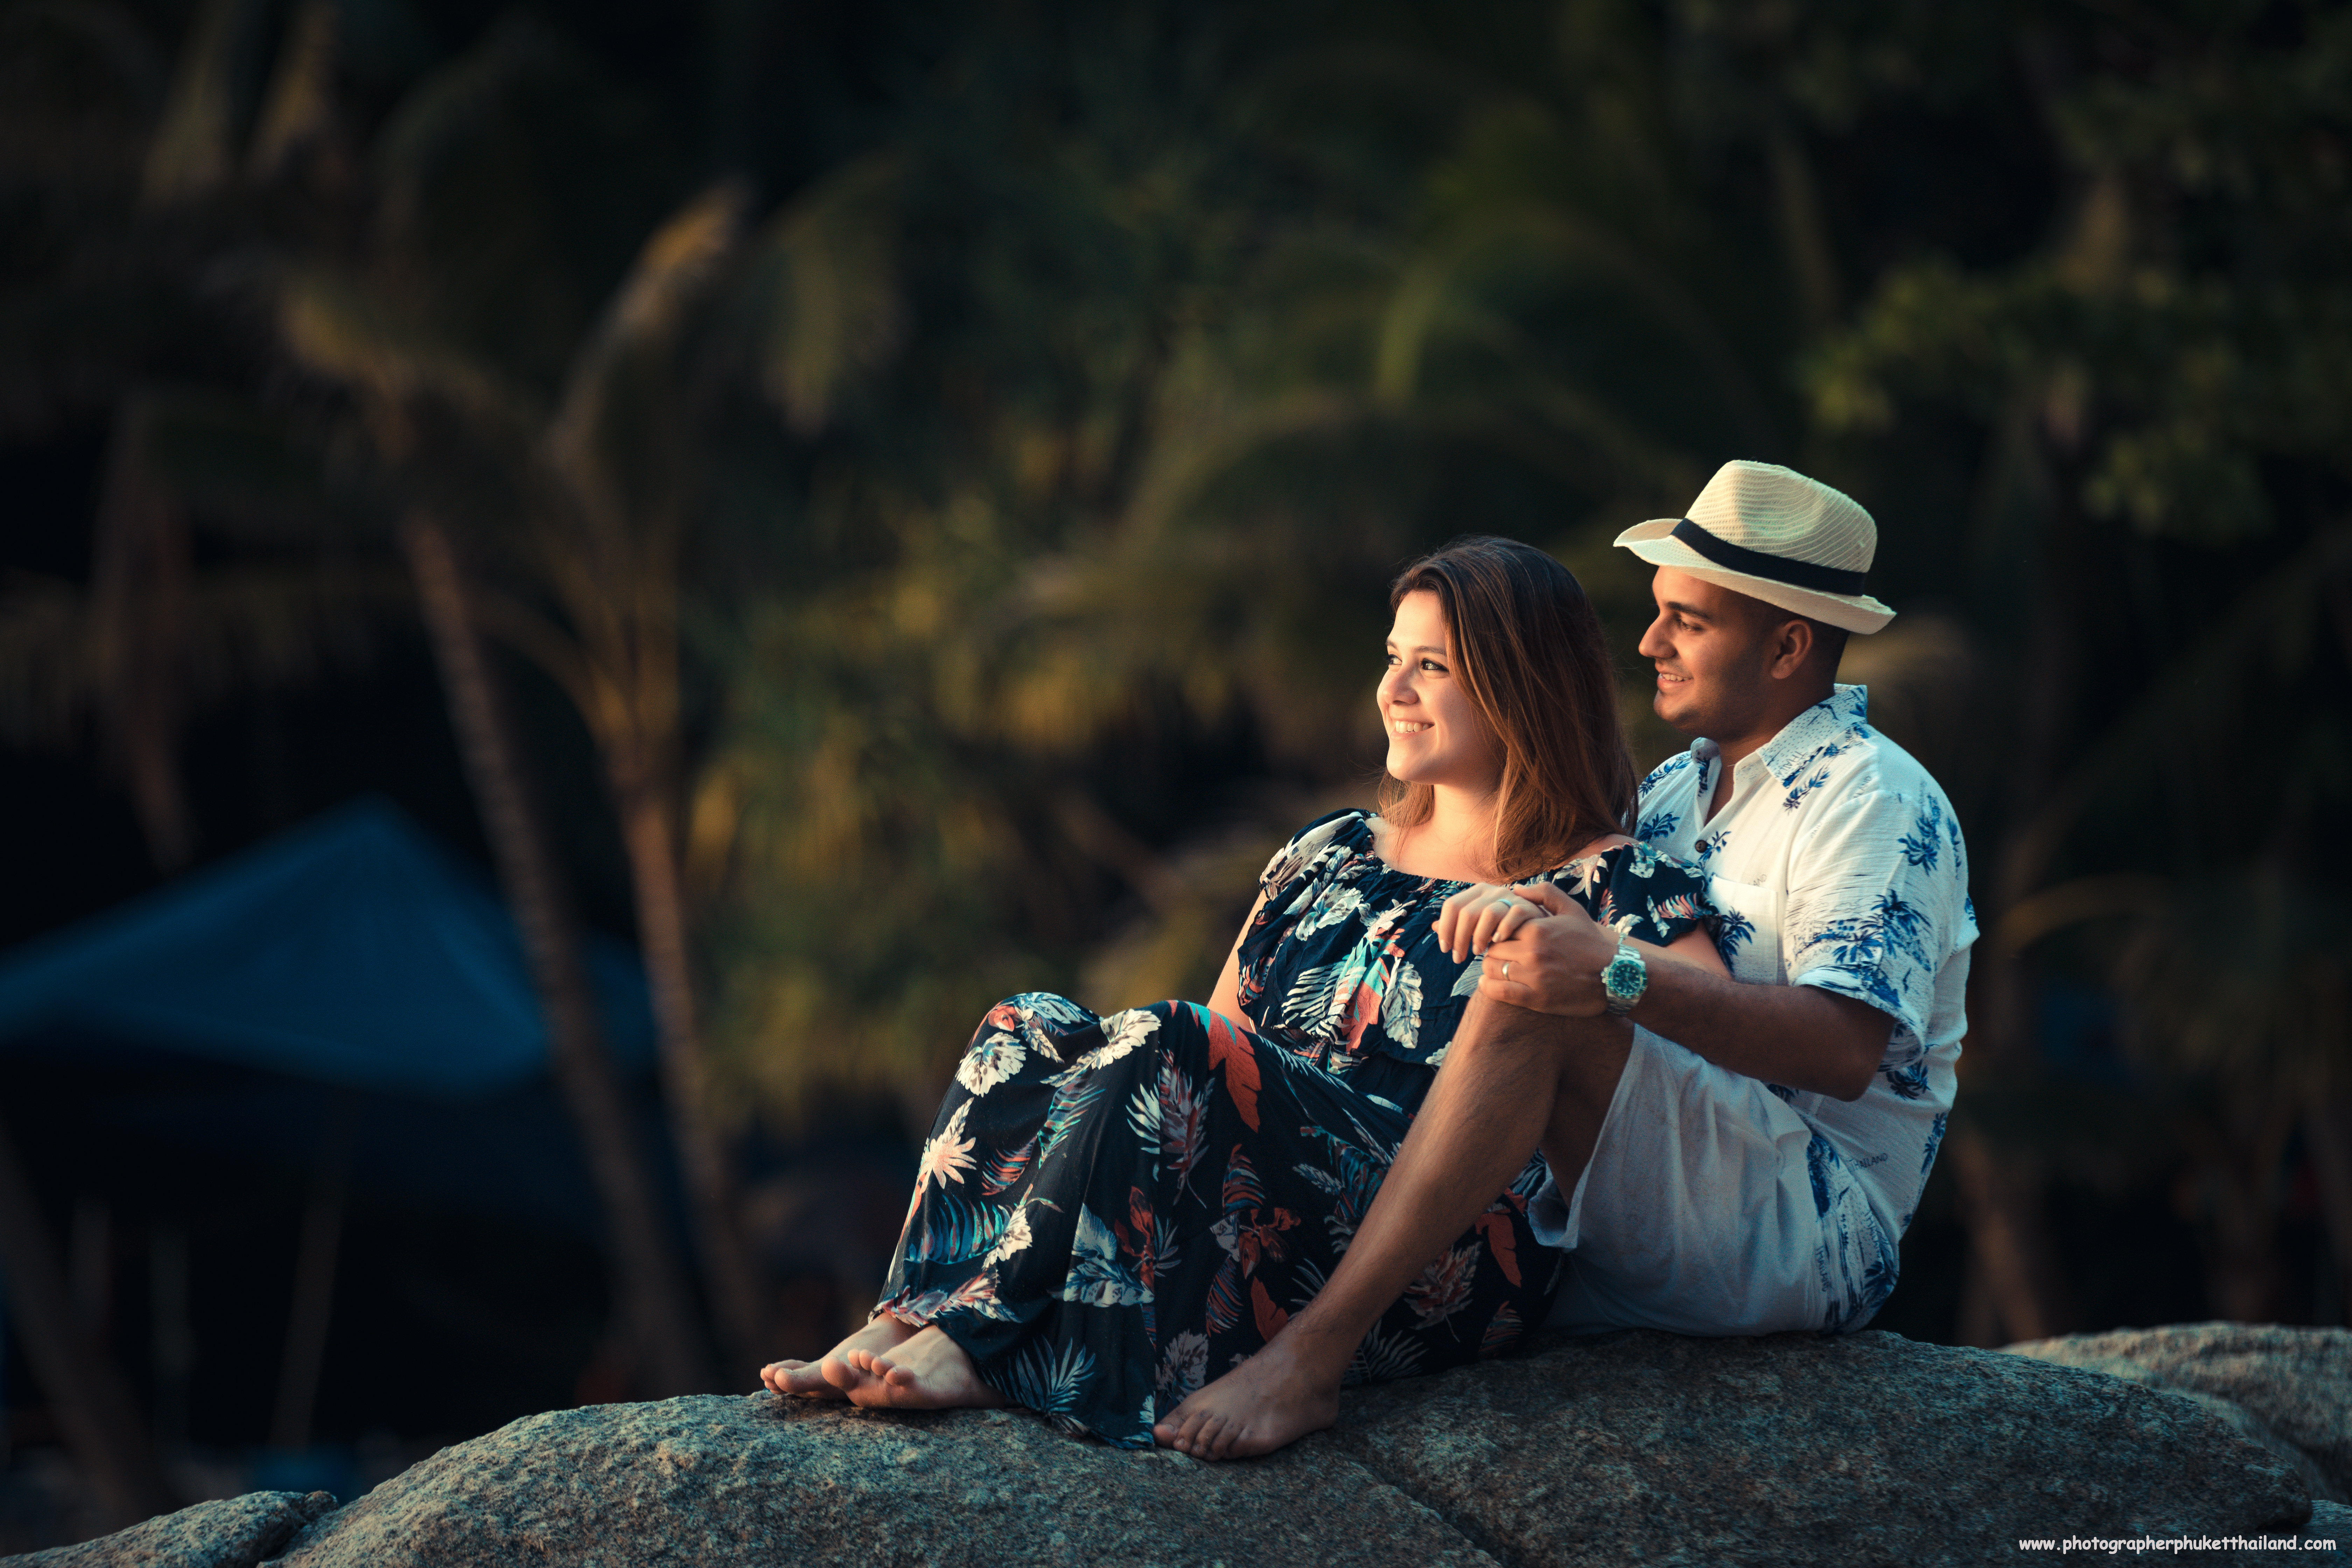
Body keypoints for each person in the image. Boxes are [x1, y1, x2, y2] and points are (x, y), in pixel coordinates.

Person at [761, 536, 1730, 1449]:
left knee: (1170, 1036)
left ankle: (983, 1342)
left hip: (1443, 1246)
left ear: (1521, 683)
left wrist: (1591, 953)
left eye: (1431, 666)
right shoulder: (1334, 849)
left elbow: (1717, 1027)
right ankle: (908, 1316)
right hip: (1261, 1208)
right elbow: (1215, 1049)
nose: (1393, 689)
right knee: (1028, 1025)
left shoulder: (1607, 881)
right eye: (1394, 658)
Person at [1150, 459, 1977, 1461]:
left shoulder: (1873, 799)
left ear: (1790, 645)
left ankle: (1312, 1358)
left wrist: (1607, 970)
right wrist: (1542, 917)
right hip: (1644, 1190)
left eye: (1689, 621)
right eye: (1657, 611)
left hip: (1803, 1222)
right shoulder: (1677, 792)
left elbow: (1844, 1048)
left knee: (1537, 1001)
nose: (1649, 642)